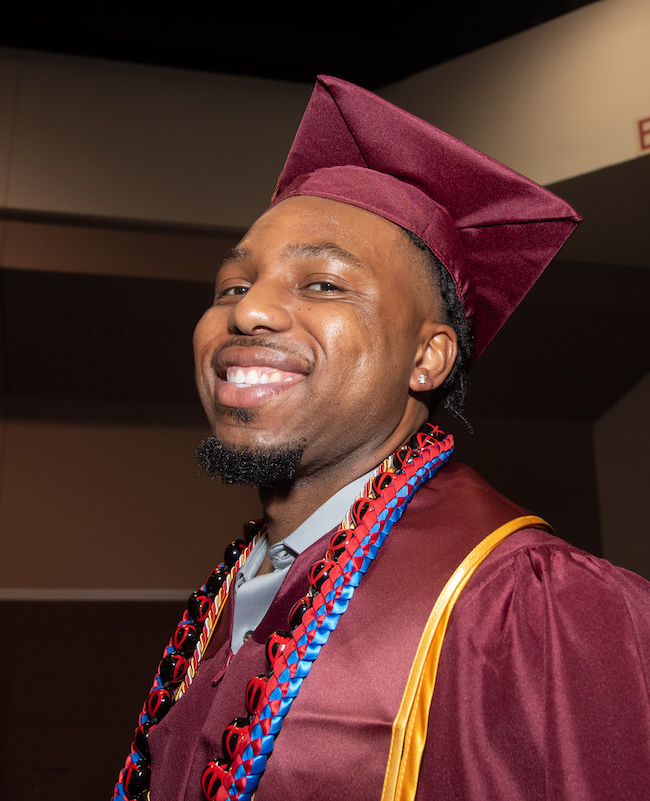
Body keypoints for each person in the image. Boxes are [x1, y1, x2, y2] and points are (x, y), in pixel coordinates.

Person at [112, 76, 650, 801]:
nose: (250, 313)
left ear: (427, 358)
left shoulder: (535, 613)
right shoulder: (232, 594)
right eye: (233, 287)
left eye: (323, 284)